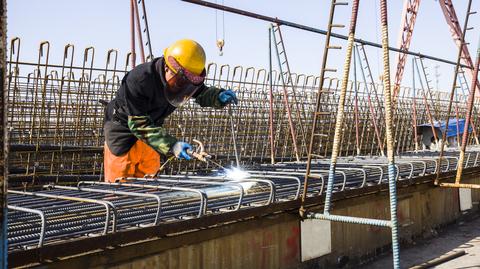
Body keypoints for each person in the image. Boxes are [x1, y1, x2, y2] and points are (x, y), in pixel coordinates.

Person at [103, 39, 237, 182]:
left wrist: (217, 96)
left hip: (152, 137)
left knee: (149, 189)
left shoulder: (184, 82)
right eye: (181, 83)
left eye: (189, 85)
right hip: (123, 135)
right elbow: (139, 124)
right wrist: (172, 145)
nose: (184, 88)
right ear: (167, 67)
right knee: (119, 191)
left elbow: (201, 92)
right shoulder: (139, 80)